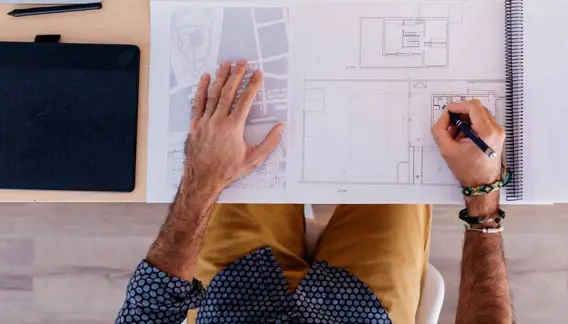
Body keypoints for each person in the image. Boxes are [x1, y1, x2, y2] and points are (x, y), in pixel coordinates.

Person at [116, 60, 512, 324]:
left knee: (249, 107)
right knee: (404, 142)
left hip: (233, 296)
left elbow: (151, 306)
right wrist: (482, 202)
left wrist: (203, 180)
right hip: (363, 310)